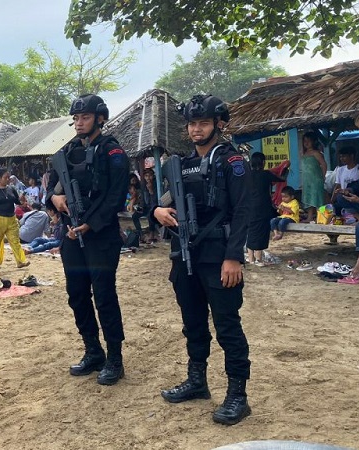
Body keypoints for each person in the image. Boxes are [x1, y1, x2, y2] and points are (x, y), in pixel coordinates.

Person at [153, 94, 251, 425]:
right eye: (193, 124)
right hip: (185, 253)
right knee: (193, 322)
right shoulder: (180, 164)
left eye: (203, 123)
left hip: (219, 255)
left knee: (227, 326)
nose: (196, 129)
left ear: (219, 125)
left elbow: (243, 212)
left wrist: (234, 257)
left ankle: (238, 395)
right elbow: (164, 200)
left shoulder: (232, 161)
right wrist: (157, 210)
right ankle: (197, 382)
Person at [46, 94, 129, 386]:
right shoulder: (66, 151)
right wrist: (54, 198)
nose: (79, 123)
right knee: (77, 294)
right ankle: (93, 351)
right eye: (76, 119)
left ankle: (115, 358)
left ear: (100, 118)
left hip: (101, 236)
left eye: (85, 118)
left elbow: (117, 196)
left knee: (105, 296)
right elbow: (50, 187)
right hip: (70, 235)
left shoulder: (112, 151)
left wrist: (90, 225)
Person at [0, 167, 29, 268]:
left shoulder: (11, 188)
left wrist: (21, 201)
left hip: (11, 218)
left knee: (15, 240)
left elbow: (17, 201)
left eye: (9, 177)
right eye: (5, 177)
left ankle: (21, 260)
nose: (8, 179)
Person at [247, 153, 286, 265]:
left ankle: (251, 259)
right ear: (263, 162)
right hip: (263, 206)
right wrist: (284, 168)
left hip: (249, 206)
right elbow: (281, 179)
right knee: (261, 231)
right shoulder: (266, 174)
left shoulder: (247, 175)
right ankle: (259, 259)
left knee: (251, 230)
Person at [300, 130, 327, 222]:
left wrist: (323, 176)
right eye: (305, 141)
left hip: (316, 180)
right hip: (307, 181)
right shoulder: (304, 154)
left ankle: (322, 217)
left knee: (318, 198)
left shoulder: (316, 153)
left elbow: (324, 164)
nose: (306, 143)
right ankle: (310, 217)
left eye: (308, 141)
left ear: (313, 141)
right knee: (309, 199)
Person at [331, 146, 359, 214]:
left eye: (344, 156)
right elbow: (338, 186)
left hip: (355, 198)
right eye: (340, 157)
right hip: (342, 198)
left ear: (352, 156)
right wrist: (332, 201)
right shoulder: (340, 170)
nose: (341, 159)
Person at [132, 168, 159, 244]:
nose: (148, 178)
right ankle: (141, 234)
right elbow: (144, 199)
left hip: (154, 206)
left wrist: (151, 190)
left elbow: (155, 199)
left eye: (150, 175)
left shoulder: (156, 184)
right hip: (146, 206)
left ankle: (152, 234)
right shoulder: (143, 185)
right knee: (134, 216)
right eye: (146, 176)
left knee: (150, 214)